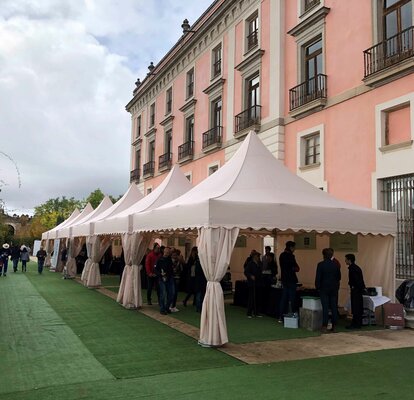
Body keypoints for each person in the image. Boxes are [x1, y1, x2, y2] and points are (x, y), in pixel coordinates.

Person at [315, 248, 341, 333]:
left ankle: (324, 326)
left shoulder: (321, 265)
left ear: (323, 255)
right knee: (334, 307)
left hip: (324, 288)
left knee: (325, 307)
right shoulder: (336, 265)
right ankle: (334, 326)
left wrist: (317, 287)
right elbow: (339, 277)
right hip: (334, 288)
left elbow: (318, 278)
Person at [278, 241, 300, 322]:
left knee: (284, 299)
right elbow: (297, 268)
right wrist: (293, 268)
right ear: (291, 247)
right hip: (291, 280)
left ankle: (281, 316)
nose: (294, 249)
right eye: (294, 247)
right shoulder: (290, 256)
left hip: (284, 279)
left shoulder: (281, 255)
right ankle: (294, 315)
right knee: (292, 298)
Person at [345, 253, 366, 329]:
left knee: (356, 306)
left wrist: (354, 286)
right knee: (356, 306)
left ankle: (356, 324)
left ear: (349, 260)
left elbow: (357, 280)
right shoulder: (355, 268)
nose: (345, 261)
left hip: (356, 290)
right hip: (357, 289)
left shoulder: (353, 269)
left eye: (346, 259)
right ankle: (356, 322)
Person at [154, 246, 174, 315]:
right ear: (164, 252)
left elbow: (171, 269)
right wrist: (160, 274)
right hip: (161, 279)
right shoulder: (159, 259)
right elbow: (155, 269)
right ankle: (162, 309)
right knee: (163, 294)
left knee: (171, 294)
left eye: (168, 252)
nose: (167, 253)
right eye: (166, 252)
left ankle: (167, 307)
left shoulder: (169, 259)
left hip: (169, 278)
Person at [244, 251, 263, 318]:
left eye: (259, 256)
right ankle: (249, 313)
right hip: (252, 283)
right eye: (258, 256)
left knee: (258, 298)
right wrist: (251, 276)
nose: (258, 257)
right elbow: (246, 272)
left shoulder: (259, 263)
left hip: (258, 283)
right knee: (251, 298)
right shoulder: (250, 264)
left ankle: (257, 312)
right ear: (254, 257)